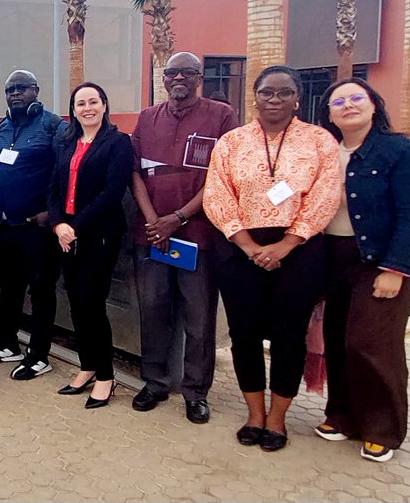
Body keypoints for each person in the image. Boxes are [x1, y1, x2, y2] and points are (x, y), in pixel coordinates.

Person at [204, 65, 341, 452]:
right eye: (267, 92)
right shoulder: (231, 142)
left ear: (297, 97)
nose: (275, 100)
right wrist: (248, 246)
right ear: (256, 97)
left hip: (298, 251)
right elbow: (217, 195)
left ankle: (278, 419)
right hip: (239, 248)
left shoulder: (319, 141)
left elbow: (325, 195)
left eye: (284, 93)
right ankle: (254, 414)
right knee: (244, 334)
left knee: (288, 336)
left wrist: (287, 244)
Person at [315, 78, 410, 462]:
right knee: (339, 340)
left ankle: (382, 429)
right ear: (328, 113)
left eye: (356, 98)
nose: (348, 105)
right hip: (333, 258)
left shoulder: (398, 151)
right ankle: (341, 415)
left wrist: (395, 268)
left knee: (372, 344)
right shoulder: (326, 152)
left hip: (377, 259)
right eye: (338, 101)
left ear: (374, 104)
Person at [127, 54, 238, 422]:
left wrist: (177, 218)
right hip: (152, 235)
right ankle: (155, 382)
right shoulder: (147, 118)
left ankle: (195, 391)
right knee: (153, 310)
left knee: (199, 317)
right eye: (172, 72)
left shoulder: (221, 115)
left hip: (198, 235)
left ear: (199, 78)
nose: (178, 78)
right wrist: (153, 221)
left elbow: (219, 177)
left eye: (187, 72)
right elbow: (136, 174)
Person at [48, 82, 135, 409]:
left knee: (92, 304)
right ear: (73, 109)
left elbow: (112, 194)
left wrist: (74, 227)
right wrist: (58, 224)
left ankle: (106, 376)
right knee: (75, 302)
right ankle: (87, 366)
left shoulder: (117, 143)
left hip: (98, 234)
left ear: (104, 105)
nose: (87, 108)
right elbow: (53, 188)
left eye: (93, 102)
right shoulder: (66, 142)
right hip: (66, 234)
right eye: (80, 103)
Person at [0, 70, 69, 381]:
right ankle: (8, 344)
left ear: (36, 91)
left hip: (37, 227)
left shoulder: (54, 127)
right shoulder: (1, 127)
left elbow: (65, 175)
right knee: (8, 286)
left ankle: (39, 355)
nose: (15, 94)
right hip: (4, 224)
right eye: (9, 90)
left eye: (21, 88)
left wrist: (51, 214)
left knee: (41, 291)